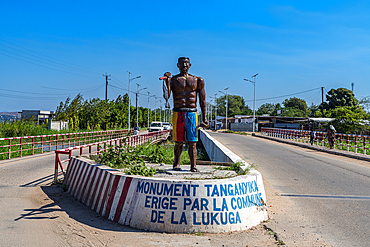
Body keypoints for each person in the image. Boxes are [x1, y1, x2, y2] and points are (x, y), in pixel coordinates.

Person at [162, 57, 208, 172]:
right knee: (178, 142)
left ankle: (193, 166)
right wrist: (166, 81)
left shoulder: (198, 80)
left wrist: (205, 118)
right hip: (178, 113)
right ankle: (176, 164)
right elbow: (167, 96)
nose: (184, 66)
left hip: (192, 113)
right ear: (178, 65)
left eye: (186, 64)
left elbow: (202, 100)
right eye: (182, 64)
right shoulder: (173, 80)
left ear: (190, 65)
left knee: (192, 142)